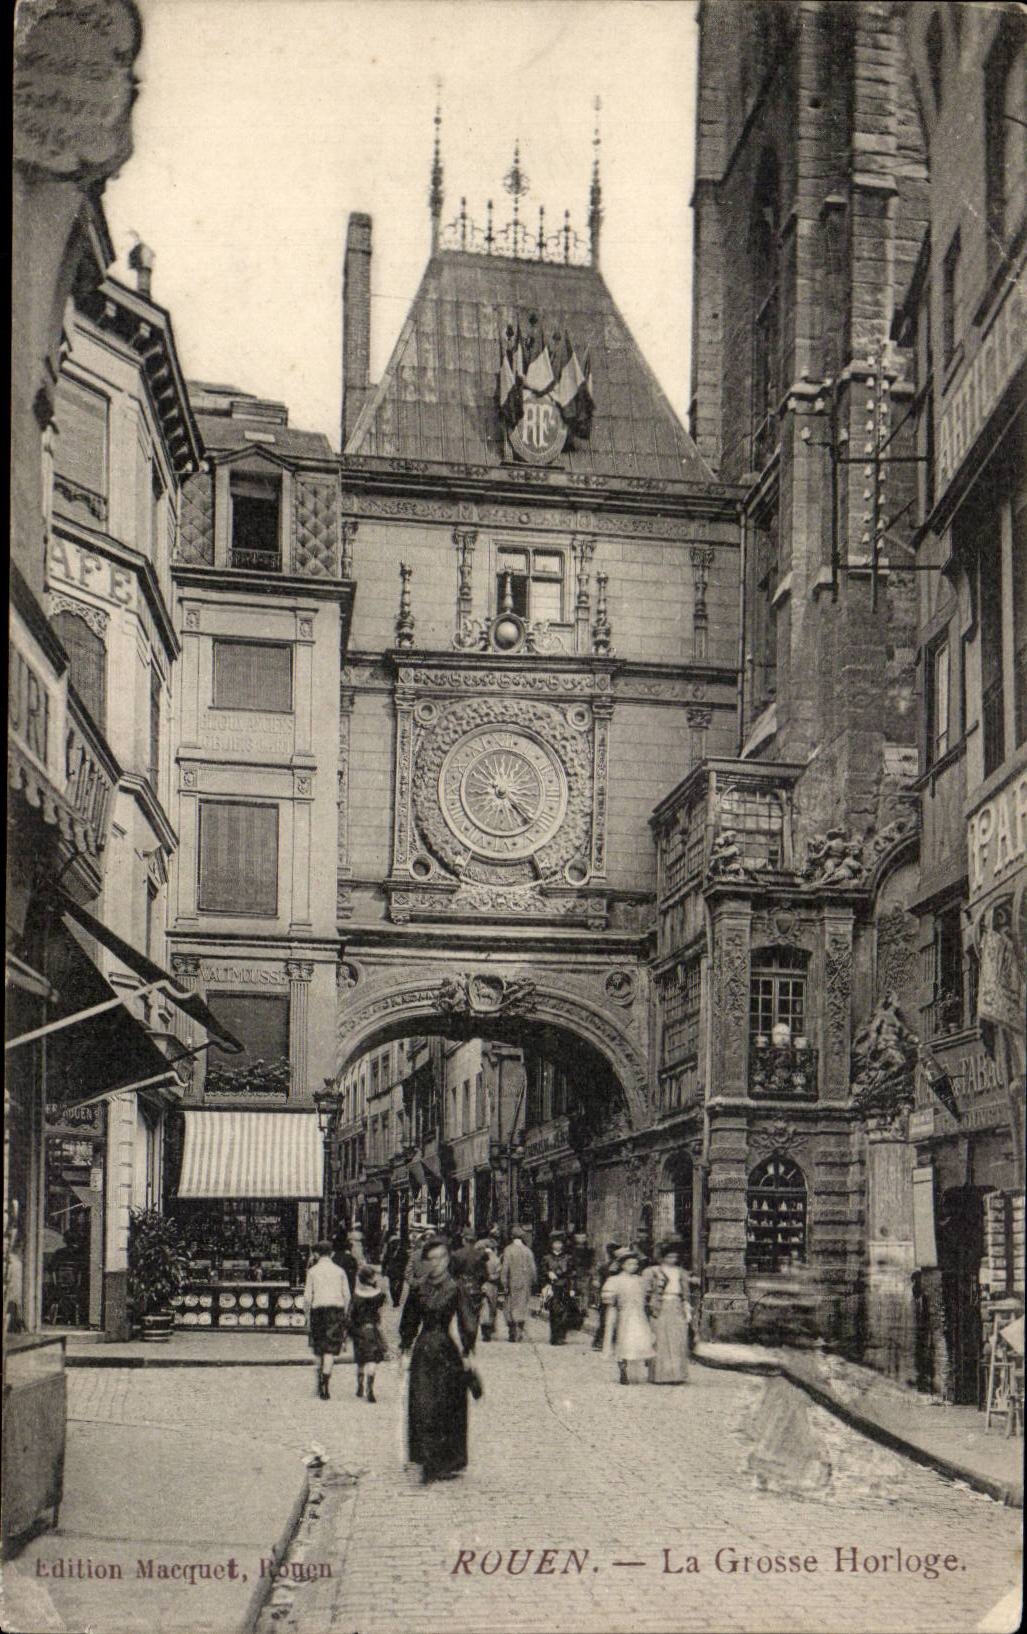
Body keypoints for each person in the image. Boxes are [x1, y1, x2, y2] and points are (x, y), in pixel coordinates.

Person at [398, 1236, 479, 1484]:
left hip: (446, 1350)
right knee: (423, 1403)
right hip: (424, 1349)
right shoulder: (418, 1287)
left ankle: (445, 1460)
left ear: (448, 1259)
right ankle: (426, 1458)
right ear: (425, 1261)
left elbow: (467, 1321)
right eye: (432, 1258)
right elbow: (409, 1320)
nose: (437, 1263)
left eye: (442, 1257)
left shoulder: (455, 1288)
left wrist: (468, 1351)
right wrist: (405, 1348)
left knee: (447, 1404)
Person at [303, 1240, 351, 1399]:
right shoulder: (340, 1271)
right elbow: (347, 1296)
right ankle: (326, 1385)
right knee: (330, 1349)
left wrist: (307, 1317)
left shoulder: (312, 1271)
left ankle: (318, 1380)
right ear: (331, 1254)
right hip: (335, 1311)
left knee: (318, 1347)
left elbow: (307, 1298)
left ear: (317, 1254)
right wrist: (343, 1314)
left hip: (318, 1311)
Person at [601, 1247, 655, 1385]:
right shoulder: (615, 1280)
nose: (633, 1267)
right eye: (630, 1264)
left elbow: (646, 1295)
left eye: (635, 1264)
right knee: (623, 1342)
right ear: (623, 1265)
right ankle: (623, 1370)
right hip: (623, 1315)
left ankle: (641, 1366)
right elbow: (609, 1299)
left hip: (638, 1314)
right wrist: (615, 1304)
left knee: (638, 1340)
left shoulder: (639, 1280)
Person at [645, 1240, 691, 1384]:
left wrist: (686, 1307)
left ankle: (677, 1375)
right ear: (663, 1257)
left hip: (676, 1305)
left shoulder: (681, 1272)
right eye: (669, 1257)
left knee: (678, 1339)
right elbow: (646, 1291)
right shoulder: (652, 1271)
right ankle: (660, 1376)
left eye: (674, 1257)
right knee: (660, 1340)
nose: (672, 1259)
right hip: (660, 1306)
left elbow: (685, 1293)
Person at [349, 1264, 388, 1402]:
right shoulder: (380, 1295)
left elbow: (351, 1315)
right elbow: (381, 1314)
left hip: (358, 1330)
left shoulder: (355, 1295)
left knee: (360, 1361)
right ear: (371, 1278)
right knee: (372, 1360)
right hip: (372, 1329)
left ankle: (359, 1385)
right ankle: (369, 1388)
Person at [499, 1226, 536, 1342]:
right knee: (522, 1307)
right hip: (525, 1284)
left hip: (512, 1283)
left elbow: (505, 1268)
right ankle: (519, 1330)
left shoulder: (508, 1250)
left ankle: (512, 1332)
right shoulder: (528, 1251)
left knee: (510, 1307)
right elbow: (533, 1270)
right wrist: (532, 1282)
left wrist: (504, 1283)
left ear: (512, 1237)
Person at [541, 1233, 579, 1346]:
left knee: (564, 1312)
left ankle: (561, 1335)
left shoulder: (568, 1258)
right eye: (555, 1243)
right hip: (552, 1287)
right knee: (554, 1312)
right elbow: (542, 1272)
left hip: (565, 1286)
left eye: (559, 1243)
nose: (557, 1245)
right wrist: (548, 1273)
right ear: (551, 1244)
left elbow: (572, 1273)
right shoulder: (546, 1258)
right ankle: (554, 1337)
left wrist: (572, 1288)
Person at [592, 1243, 622, 1352]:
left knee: (606, 1319)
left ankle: (601, 1341)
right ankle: (599, 1341)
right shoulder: (608, 1266)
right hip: (608, 1296)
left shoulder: (608, 1265)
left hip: (610, 1295)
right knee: (605, 1319)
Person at [476, 1228, 502, 1341]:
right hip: (492, 1286)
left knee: (482, 1308)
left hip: (481, 1285)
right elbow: (499, 1273)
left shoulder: (479, 1258)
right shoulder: (496, 1259)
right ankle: (490, 1328)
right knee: (492, 1307)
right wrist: (493, 1277)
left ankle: (484, 1329)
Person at [381, 1233, 408, 1307]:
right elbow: (384, 1261)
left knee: (400, 1285)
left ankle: (397, 1300)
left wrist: (404, 1268)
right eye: (393, 1242)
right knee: (391, 1286)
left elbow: (406, 1260)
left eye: (396, 1242)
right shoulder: (389, 1251)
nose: (395, 1244)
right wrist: (383, 1271)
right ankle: (394, 1299)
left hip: (400, 1271)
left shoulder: (403, 1251)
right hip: (391, 1271)